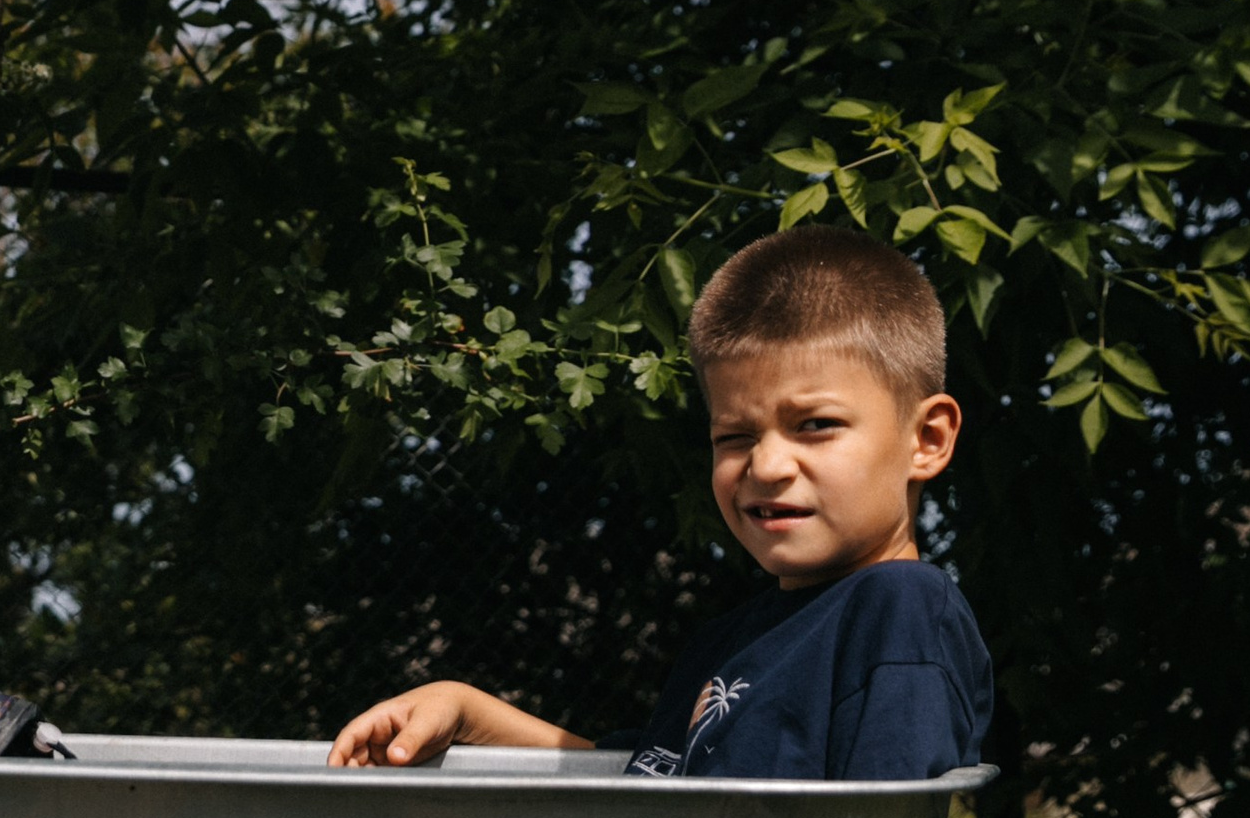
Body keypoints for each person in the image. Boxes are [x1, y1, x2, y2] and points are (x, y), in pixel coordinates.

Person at [329, 225, 992, 781]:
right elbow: (645, 796)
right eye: (733, 436)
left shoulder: (901, 608)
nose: (765, 465)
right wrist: (468, 709)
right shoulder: (734, 641)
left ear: (926, 441)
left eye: (814, 425)